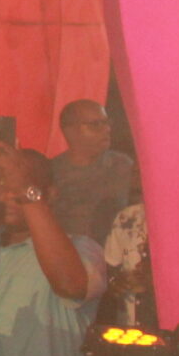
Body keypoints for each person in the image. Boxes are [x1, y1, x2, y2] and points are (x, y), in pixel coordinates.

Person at [0, 144, 94, 356]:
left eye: (22, 183)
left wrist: (27, 193)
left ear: (50, 194)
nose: (10, 193)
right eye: (2, 182)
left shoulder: (80, 248)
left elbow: (71, 284)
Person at [51, 98, 139, 248]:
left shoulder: (123, 167)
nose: (107, 129)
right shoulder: (50, 172)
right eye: (96, 124)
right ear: (69, 131)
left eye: (107, 123)